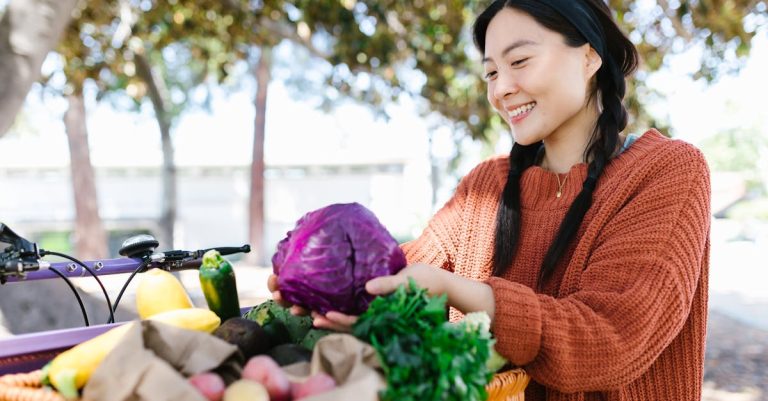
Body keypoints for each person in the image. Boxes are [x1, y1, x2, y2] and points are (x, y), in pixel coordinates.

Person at [268, 0, 711, 400]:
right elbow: (402, 273)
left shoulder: (666, 171)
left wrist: (455, 289)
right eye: (492, 73)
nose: (500, 90)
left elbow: (611, 338)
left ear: (590, 55)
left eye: (519, 61)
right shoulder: (487, 183)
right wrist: (328, 285)